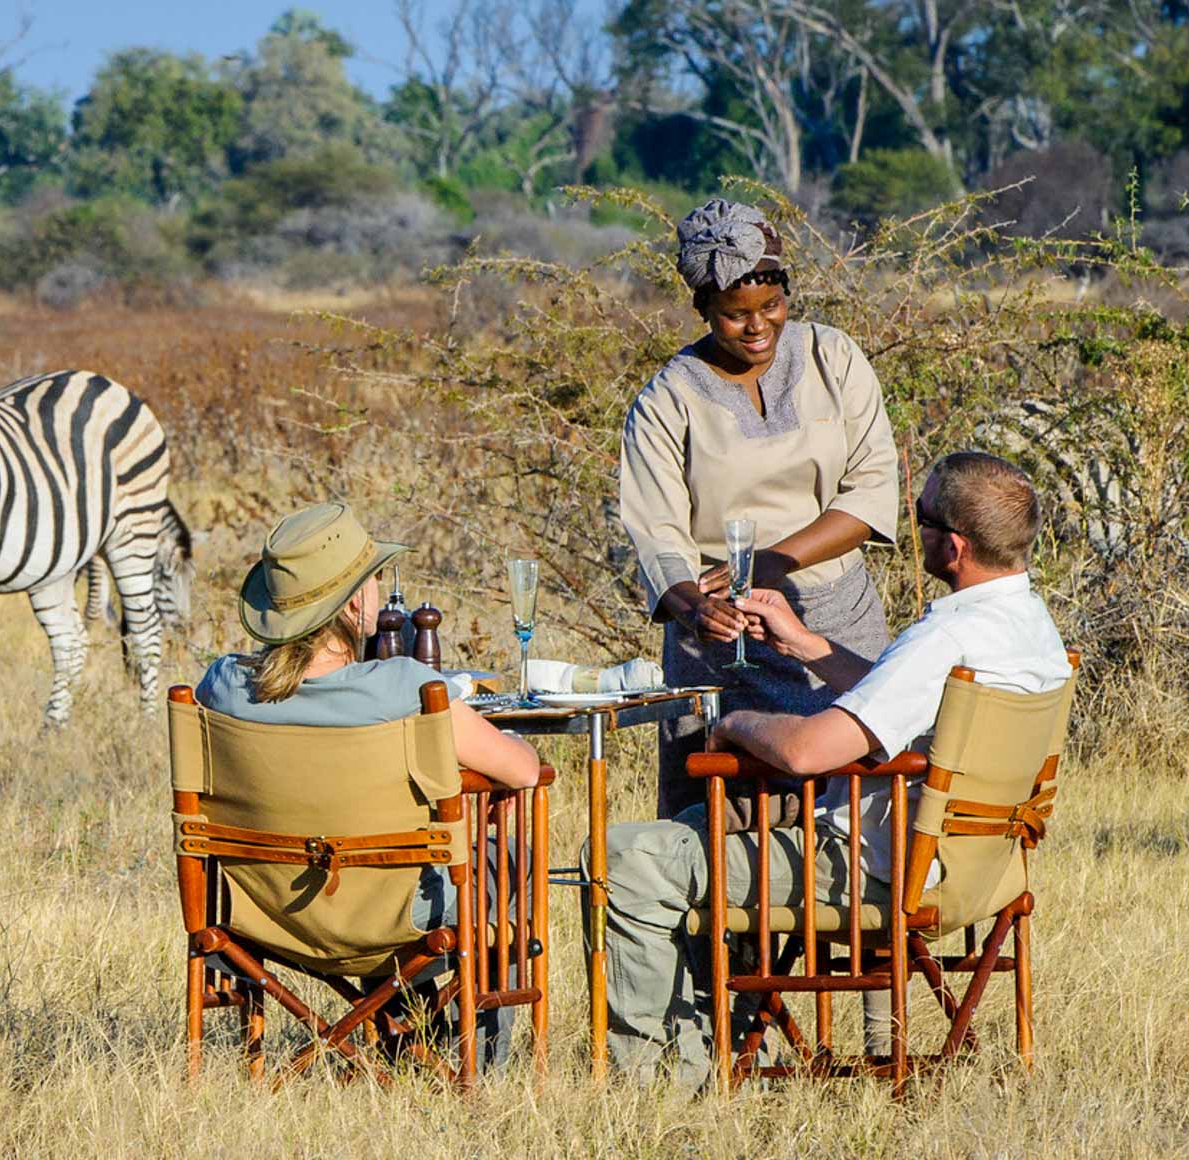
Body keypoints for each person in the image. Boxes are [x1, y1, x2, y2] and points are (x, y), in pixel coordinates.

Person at [598, 452, 1072, 1090]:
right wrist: (805, 643)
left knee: (626, 856)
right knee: (691, 832)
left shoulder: (948, 637)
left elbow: (805, 753)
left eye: (922, 516)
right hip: (978, 868)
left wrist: (733, 722)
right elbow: (903, 697)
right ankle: (736, 1045)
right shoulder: (1029, 627)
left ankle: (661, 1079)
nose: (915, 527)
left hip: (873, 870)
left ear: (953, 545)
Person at [198, 500, 540, 1067]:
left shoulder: (221, 687)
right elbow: (522, 772)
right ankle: (475, 1055)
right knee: (506, 853)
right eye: (375, 576)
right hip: (395, 913)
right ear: (357, 601)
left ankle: (402, 1029)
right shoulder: (407, 687)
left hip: (262, 909)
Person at [620, 197, 901, 822]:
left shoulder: (834, 358)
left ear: (788, 294)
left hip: (837, 625)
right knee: (718, 820)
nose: (756, 327)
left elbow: (872, 493)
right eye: (733, 315)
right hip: (720, 645)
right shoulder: (667, 398)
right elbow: (656, 533)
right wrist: (698, 611)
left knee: (854, 811)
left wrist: (775, 562)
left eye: (770, 307)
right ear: (701, 310)